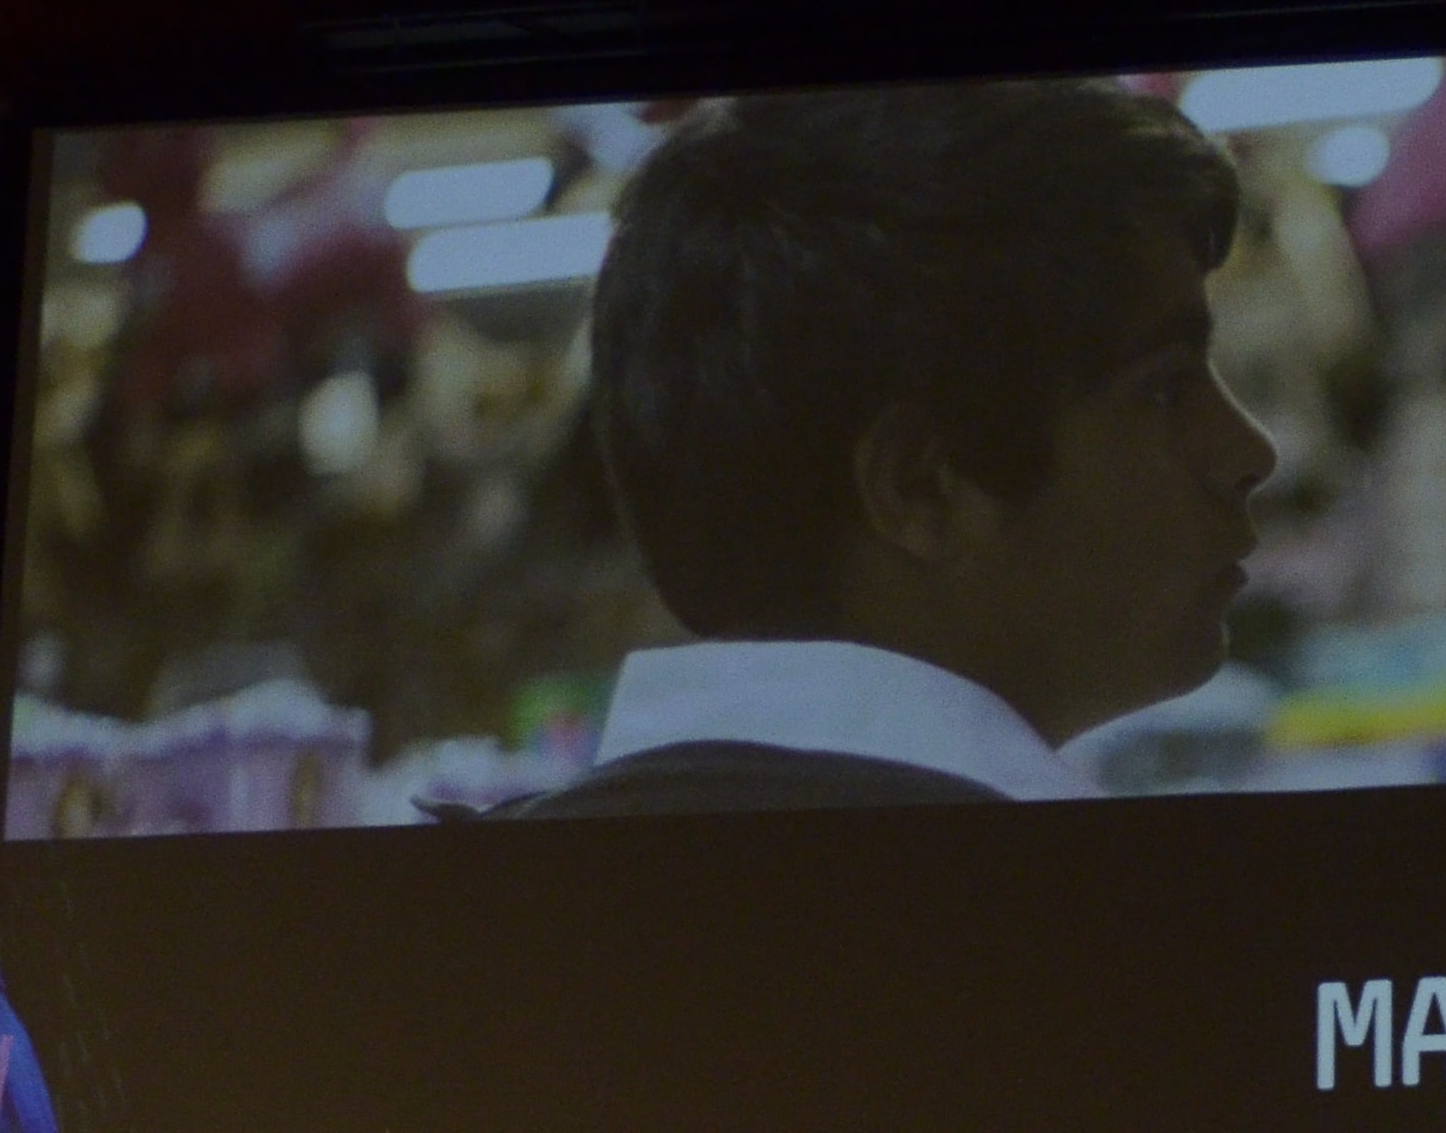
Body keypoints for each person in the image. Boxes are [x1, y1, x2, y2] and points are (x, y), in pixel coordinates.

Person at [527, 81, 1277, 815]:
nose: (1250, 451)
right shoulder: (1065, 914)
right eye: (1164, 390)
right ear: (922, 486)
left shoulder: (492, 889)